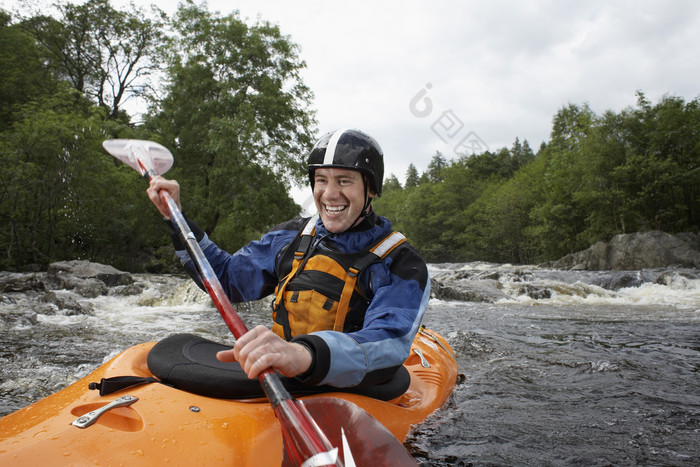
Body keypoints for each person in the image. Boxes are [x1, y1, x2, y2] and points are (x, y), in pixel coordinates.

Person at [147, 129, 429, 390]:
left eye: (344, 181)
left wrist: (303, 354)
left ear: (370, 189)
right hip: (286, 375)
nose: (329, 194)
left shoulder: (401, 263)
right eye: (321, 180)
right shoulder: (290, 237)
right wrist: (177, 219)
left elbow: (388, 340)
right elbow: (227, 280)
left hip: (352, 386)